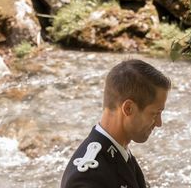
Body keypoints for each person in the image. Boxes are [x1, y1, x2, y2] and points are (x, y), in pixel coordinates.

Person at [61, 59, 171, 188]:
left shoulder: (120, 154)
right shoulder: (87, 178)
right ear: (128, 108)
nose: (159, 123)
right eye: (155, 113)